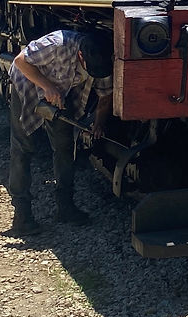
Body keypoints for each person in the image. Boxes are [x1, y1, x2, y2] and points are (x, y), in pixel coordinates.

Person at [7, 29, 114, 237]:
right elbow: (20, 60)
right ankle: (22, 215)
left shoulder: (101, 60)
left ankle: (65, 207)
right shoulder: (57, 44)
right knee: (23, 148)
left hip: (61, 95)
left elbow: (105, 96)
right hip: (27, 86)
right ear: (81, 56)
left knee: (65, 148)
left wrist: (99, 124)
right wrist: (47, 86)